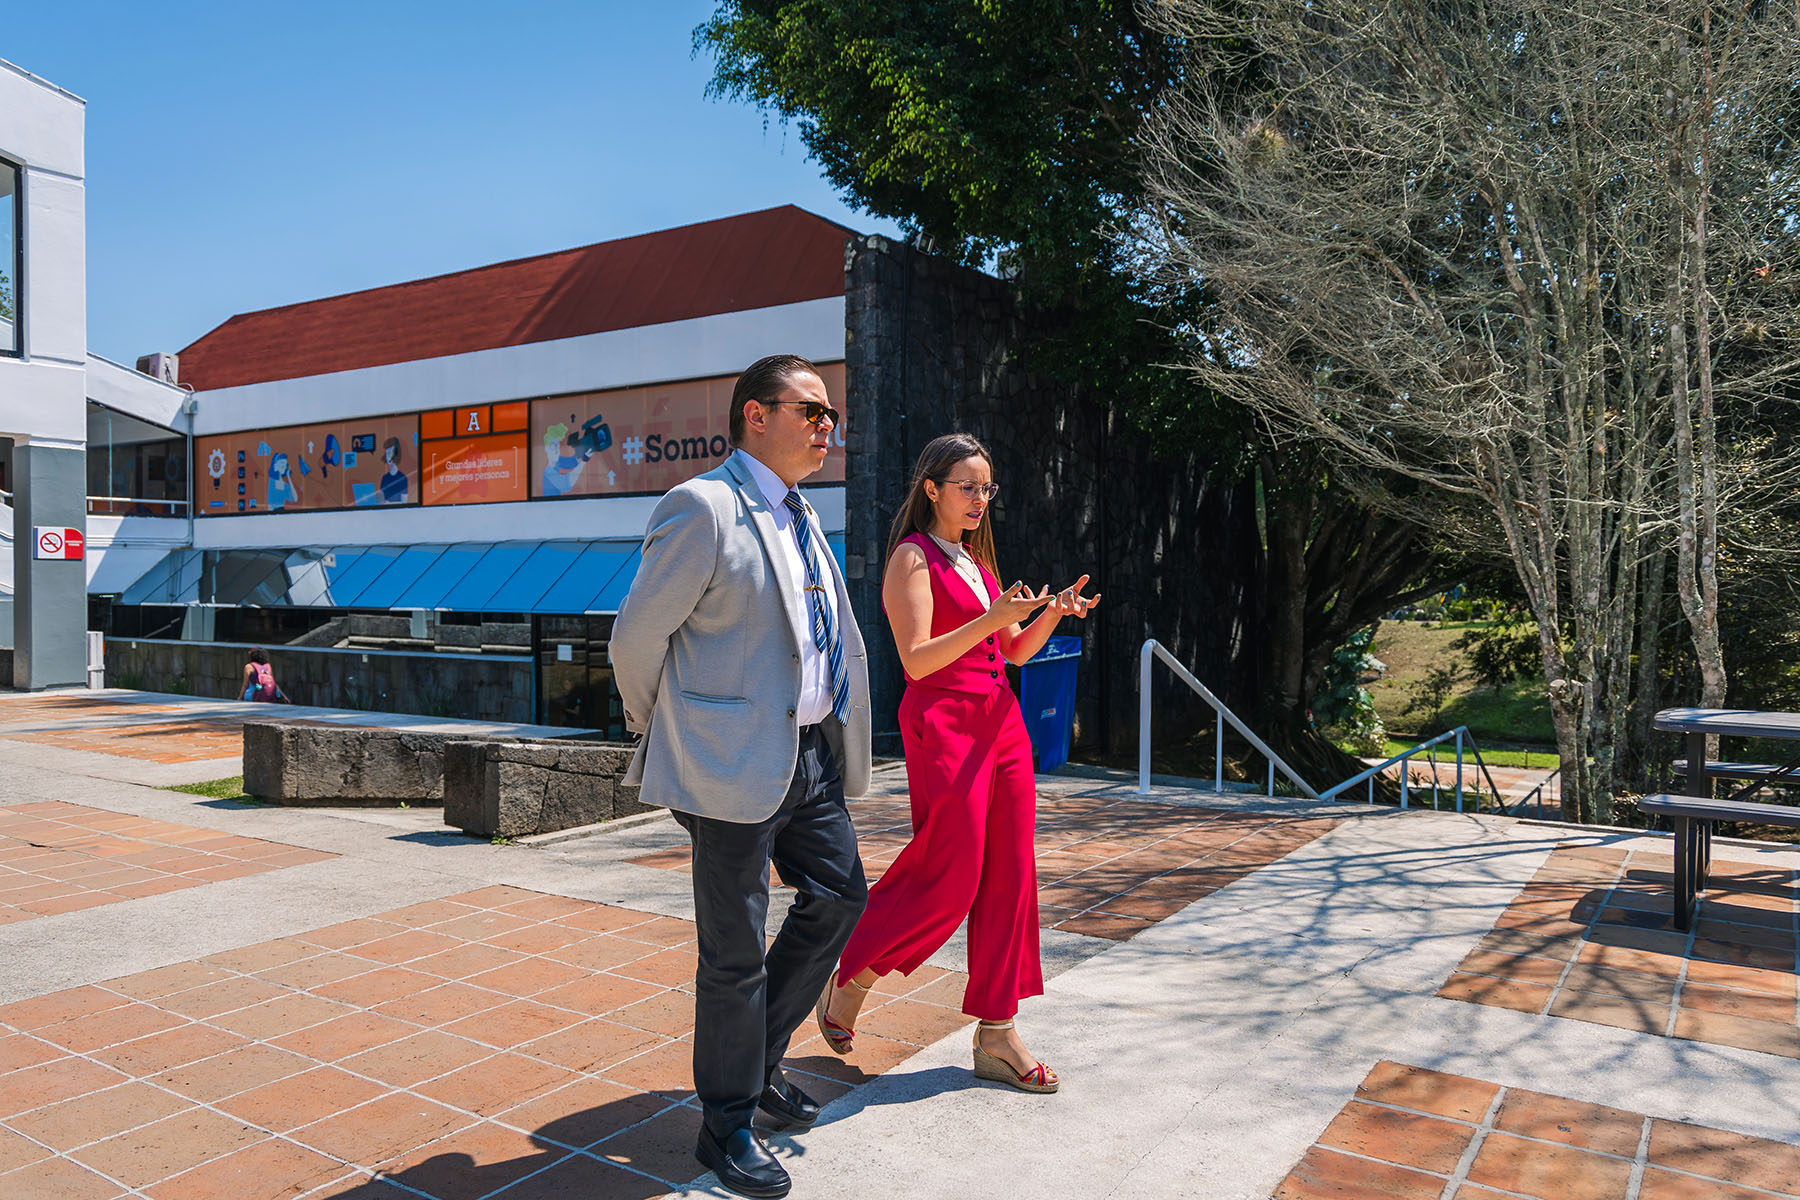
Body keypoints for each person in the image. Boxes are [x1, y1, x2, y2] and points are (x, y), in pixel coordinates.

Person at [610, 354, 871, 1200]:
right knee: (733, 955)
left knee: (839, 895)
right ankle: (724, 1128)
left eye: (831, 414)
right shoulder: (703, 507)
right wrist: (668, 731)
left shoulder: (802, 515)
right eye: (812, 411)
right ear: (756, 415)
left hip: (808, 753)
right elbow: (636, 641)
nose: (827, 426)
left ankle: (756, 1062)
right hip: (727, 762)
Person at [819, 432, 1098, 1094]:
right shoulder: (912, 560)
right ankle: (852, 975)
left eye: (987, 487)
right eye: (968, 486)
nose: (980, 498)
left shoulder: (976, 560)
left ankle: (998, 1031)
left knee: (1009, 875)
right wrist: (993, 617)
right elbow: (916, 659)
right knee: (952, 868)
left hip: (1001, 721)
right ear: (933, 488)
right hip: (944, 722)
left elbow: (1016, 653)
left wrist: (1051, 615)